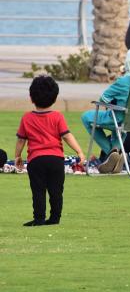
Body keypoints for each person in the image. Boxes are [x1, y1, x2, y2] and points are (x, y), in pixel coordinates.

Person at [15, 76, 86, 226]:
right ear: (55, 98)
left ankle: (39, 218)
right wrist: (79, 151)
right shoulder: (57, 117)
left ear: (31, 98)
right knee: (56, 191)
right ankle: (55, 218)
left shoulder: (27, 118)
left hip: (36, 161)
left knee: (38, 191)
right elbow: (66, 136)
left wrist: (17, 156)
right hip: (56, 160)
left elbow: (21, 140)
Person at [81, 47, 130, 173]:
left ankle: (110, 151)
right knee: (121, 128)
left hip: (117, 118)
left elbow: (103, 99)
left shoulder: (123, 81)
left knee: (86, 117)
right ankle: (116, 150)